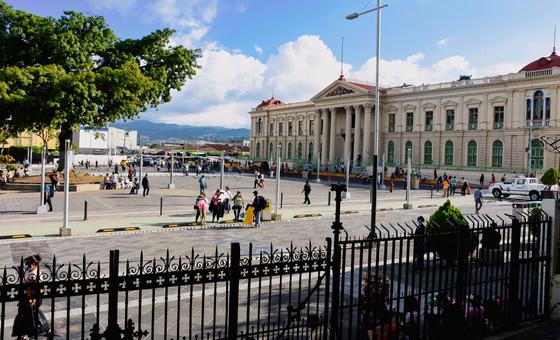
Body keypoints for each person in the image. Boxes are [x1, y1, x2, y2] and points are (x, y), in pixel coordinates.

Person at [12, 254, 51, 339]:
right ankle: (47, 330)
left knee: (28, 314)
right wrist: (22, 271)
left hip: (33, 297)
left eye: (29, 264)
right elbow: (26, 280)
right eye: (27, 264)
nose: (28, 266)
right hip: (28, 296)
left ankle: (26, 334)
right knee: (32, 313)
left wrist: (32, 299)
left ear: (35, 264)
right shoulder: (30, 271)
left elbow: (34, 288)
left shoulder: (34, 274)